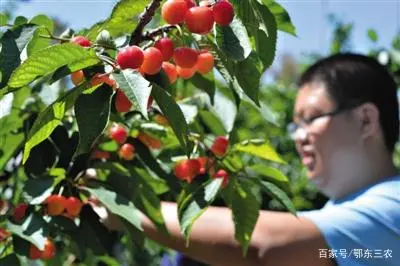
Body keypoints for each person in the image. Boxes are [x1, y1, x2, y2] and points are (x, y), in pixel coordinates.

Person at [101, 53, 400, 266]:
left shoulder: (393, 206)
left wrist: (128, 209)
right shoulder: (340, 216)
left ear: (365, 121)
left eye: (311, 119)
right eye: (295, 125)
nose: (298, 136)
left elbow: (267, 248)